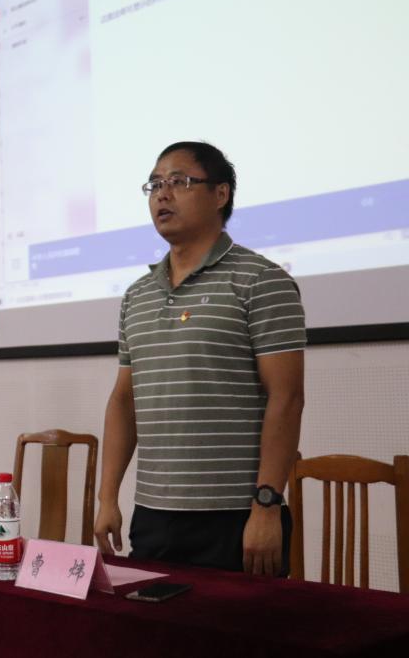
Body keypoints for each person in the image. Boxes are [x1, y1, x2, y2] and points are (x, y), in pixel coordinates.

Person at [94, 142, 306, 576]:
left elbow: (287, 399)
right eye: (155, 184)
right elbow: (123, 400)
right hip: (153, 515)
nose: (162, 194)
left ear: (220, 194)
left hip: (236, 515)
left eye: (179, 181)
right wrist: (107, 498)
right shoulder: (137, 295)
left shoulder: (262, 281)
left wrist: (266, 505)